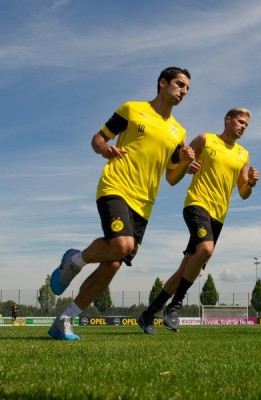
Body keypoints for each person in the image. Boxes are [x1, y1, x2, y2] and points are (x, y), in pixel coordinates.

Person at [47, 67, 195, 340]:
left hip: (144, 204)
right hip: (115, 186)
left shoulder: (179, 132)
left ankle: (64, 319)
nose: (184, 91)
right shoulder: (131, 109)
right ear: (163, 83)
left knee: (113, 264)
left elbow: (172, 178)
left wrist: (185, 162)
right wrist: (104, 149)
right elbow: (98, 138)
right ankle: (75, 260)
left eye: (187, 88)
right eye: (180, 84)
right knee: (122, 244)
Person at [137, 107, 260, 334]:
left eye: (246, 125)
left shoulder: (243, 154)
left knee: (186, 266)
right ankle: (174, 307)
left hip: (218, 216)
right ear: (228, 120)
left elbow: (243, 192)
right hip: (196, 204)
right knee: (206, 249)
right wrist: (186, 166)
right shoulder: (206, 139)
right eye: (240, 122)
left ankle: (148, 313)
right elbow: (177, 165)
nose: (243, 127)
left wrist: (250, 182)